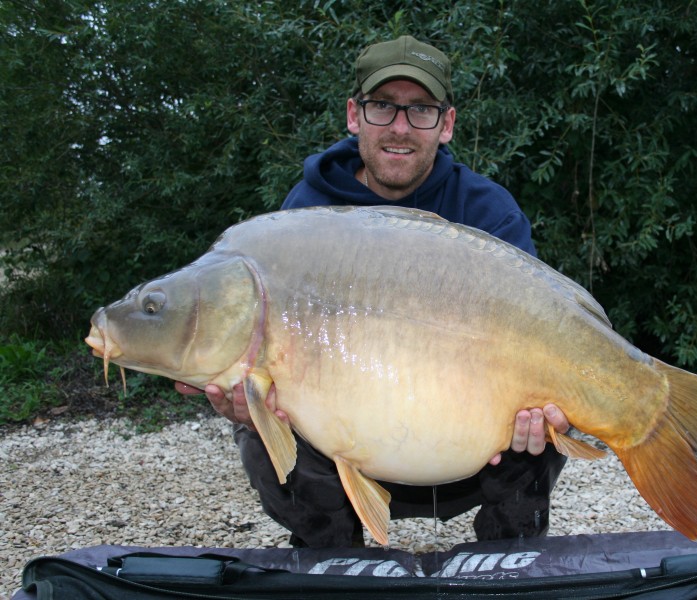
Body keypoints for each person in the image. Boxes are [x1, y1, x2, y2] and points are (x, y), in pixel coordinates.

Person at [177, 35, 570, 548]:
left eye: (421, 110)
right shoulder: (304, 216)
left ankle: (507, 555)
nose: (401, 128)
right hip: (343, 447)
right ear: (354, 115)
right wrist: (246, 400)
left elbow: (549, 334)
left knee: (551, 416)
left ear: (446, 123)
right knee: (262, 430)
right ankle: (333, 554)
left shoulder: (489, 213)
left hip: (474, 456)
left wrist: (553, 408)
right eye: (383, 107)